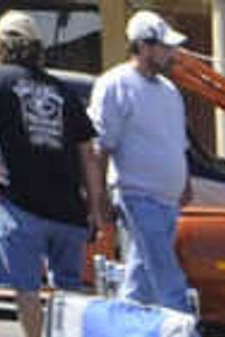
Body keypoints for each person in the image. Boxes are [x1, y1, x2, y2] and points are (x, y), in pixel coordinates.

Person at [0, 11, 102, 337]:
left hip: (21, 205)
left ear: (0, 44)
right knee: (68, 292)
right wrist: (96, 208)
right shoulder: (64, 91)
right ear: (37, 48)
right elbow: (88, 154)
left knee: (26, 289)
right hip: (69, 209)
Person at [92, 8, 195, 313]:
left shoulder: (170, 91)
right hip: (137, 195)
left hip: (167, 201)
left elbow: (178, 143)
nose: (171, 52)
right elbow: (102, 145)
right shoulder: (115, 84)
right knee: (167, 277)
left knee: (141, 282)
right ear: (143, 45)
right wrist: (98, 199)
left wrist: (184, 183)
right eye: (165, 46)